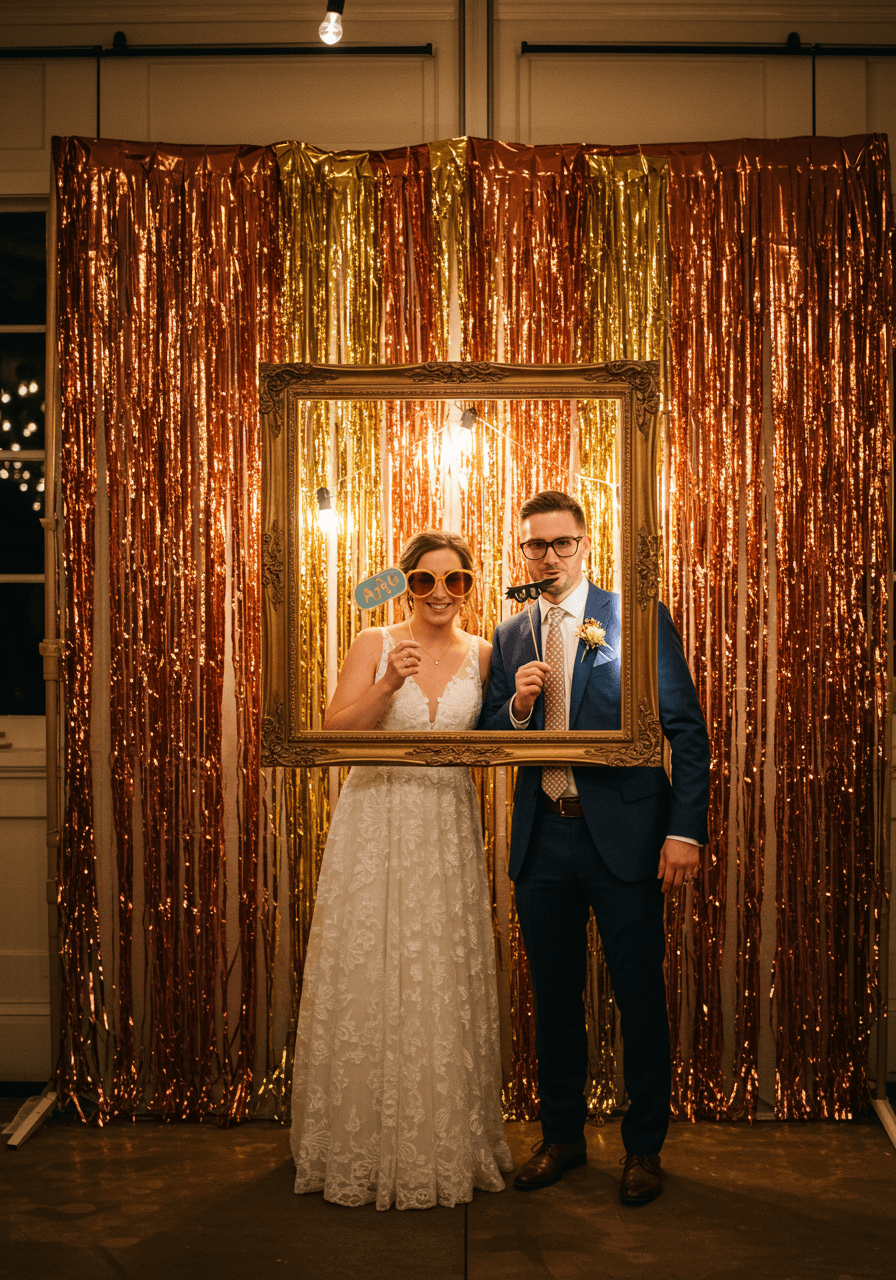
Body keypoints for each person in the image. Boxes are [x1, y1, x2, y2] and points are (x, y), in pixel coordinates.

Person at [478, 491, 710, 1206]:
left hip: (629, 838)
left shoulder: (636, 619)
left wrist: (683, 830)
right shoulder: (512, 632)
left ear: (586, 544)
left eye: (561, 544)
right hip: (543, 836)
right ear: (520, 550)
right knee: (553, 998)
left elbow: (687, 732)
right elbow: (489, 732)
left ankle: (644, 1148)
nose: (547, 557)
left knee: (638, 994)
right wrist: (516, 704)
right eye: (534, 546)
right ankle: (562, 1140)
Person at [291, 530, 513, 1211]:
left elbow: (500, 738)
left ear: (470, 587)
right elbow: (335, 731)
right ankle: (358, 1144)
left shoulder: (486, 652)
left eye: (455, 581)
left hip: (444, 826)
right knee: (370, 968)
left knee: (439, 972)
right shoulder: (374, 641)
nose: (439, 594)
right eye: (424, 581)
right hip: (375, 822)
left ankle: (441, 1140)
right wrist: (389, 683)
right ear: (406, 583)